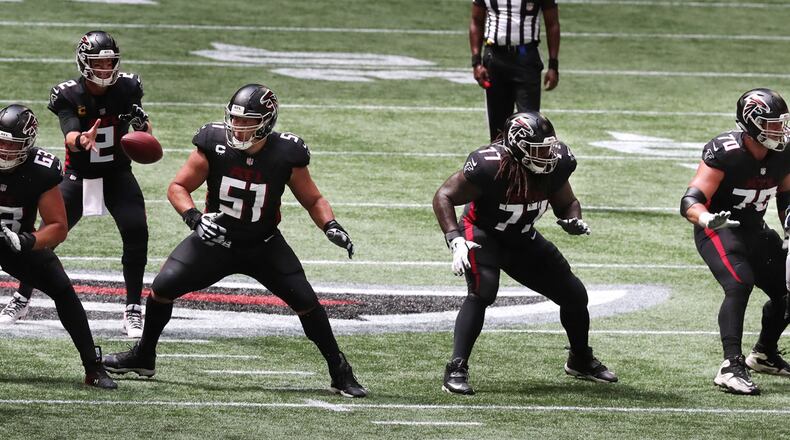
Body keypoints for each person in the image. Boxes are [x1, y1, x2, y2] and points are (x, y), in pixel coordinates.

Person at [103, 83, 367, 398]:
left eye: (247, 121)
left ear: (267, 122)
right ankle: (144, 355)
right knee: (161, 289)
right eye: (235, 119)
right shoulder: (213, 143)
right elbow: (178, 187)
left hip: (263, 244)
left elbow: (313, 199)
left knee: (307, 303)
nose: (238, 128)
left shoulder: (286, 153)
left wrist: (330, 225)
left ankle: (340, 370)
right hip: (216, 239)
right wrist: (194, 218)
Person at [433, 111, 616, 395]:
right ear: (518, 145)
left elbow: (567, 202)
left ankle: (579, 359)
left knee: (575, 295)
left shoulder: (555, 166)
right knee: (483, 291)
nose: (548, 155)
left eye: (548, 148)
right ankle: (456, 367)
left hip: (522, 237)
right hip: (482, 232)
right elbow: (444, 195)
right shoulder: (489, 165)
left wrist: (572, 219)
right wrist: (454, 239)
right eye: (539, 149)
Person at [0, 30, 152, 338]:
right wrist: (82, 139)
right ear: (84, 62)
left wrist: (141, 124)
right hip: (79, 175)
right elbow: (69, 134)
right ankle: (22, 297)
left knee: (136, 230)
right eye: (99, 63)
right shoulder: (69, 94)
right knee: (46, 236)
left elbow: (146, 136)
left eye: (110, 63)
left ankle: (133, 308)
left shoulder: (128, 88)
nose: (106, 70)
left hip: (117, 173)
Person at [681, 88, 790, 396]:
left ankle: (764, 354)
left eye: (782, 123)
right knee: (740, 282)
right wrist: (705, 218)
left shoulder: (785, 151)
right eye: (771, 125)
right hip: (718, 229)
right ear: (752, 125)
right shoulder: (725, 151)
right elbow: (690, 200)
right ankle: (730, 366)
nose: (780, 131)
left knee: (788, 290)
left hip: (755, 229)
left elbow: (786, 194)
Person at [0, 104, 116, 389]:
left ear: (27, 145)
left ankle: (93, 367)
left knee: (62, 289)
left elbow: (57, 226)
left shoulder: (40, 170)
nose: (3, 150)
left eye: (10, 144)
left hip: (15, 242)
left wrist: (28, 241)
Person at [470, 0, 560, 141]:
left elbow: (552, 23)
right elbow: (476, 20)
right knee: (498, 131)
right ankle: (501, 163)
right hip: (495, 57)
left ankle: (526, 162)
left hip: (526, 58)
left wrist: (553, 65)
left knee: (530, 127)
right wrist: (476, 62)